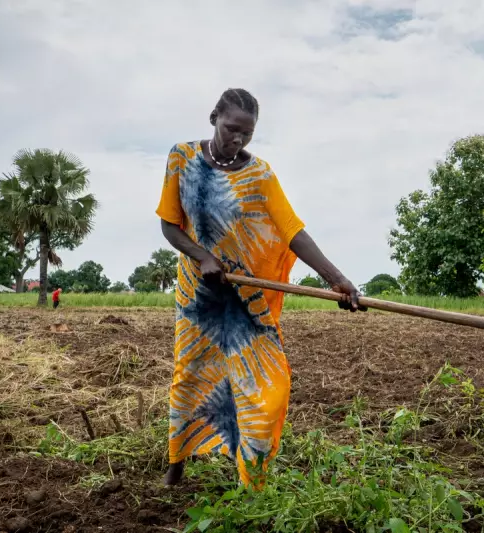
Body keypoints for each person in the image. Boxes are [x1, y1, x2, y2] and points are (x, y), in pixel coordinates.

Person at [156, 88, 366, 488]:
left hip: (245, 297)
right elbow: (169, 224)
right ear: (214, 116)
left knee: (264, 387)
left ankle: (251, 481)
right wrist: (201, 256)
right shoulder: (181, 157)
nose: (237, 139)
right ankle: (176, 465)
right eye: (231, 129)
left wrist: (335, 277)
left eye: (247, 134)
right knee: (191, 378)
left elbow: (292, 231)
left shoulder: (261, 175)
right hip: (199, 298)